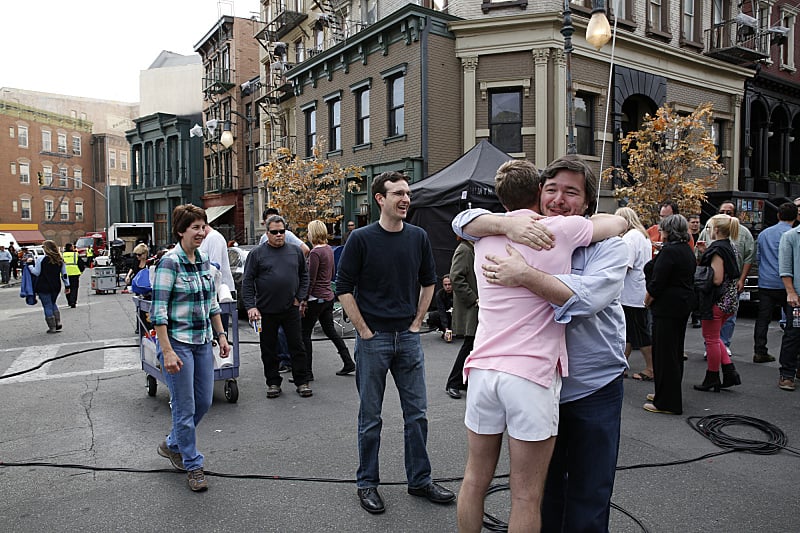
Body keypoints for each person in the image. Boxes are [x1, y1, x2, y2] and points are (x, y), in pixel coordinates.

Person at [452, 154, 629, 532]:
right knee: (533, 496)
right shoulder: (529, 230)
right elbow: (462, 221)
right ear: (537, 192)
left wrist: (523, 273)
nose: (559, 199)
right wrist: (507, 225)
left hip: (586, 386)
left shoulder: (608, 246)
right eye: (551, 189)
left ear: (586, 203)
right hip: (534, 376)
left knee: (585, 493)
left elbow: (584, 300)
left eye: (571, 192)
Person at [335, 171, 455, 515]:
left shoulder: (417, 237)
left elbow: (429, 281)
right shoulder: (361, 238)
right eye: (398, 193)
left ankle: (419, 480)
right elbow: (342, 287)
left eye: (408, 193)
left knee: (417, 415)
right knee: (370, 417)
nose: (406, 199)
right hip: (374, 340)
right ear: (380, 199)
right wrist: (364, 330)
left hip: (408, 339)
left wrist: (418, 321)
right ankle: (367, 483)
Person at [151, 204, 231, 492]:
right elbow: (158, 313)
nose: (202, 232)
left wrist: (221, 335)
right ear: (181, 231)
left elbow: (211, 304)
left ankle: (172, 443)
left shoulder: (204, 261)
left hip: (201, 342)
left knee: (204, 402)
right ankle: (193, 465)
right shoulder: (169, 263)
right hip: (178, 344)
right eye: (195, 227)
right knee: (184, 408)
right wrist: (167, 351)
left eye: (203, 226)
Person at [243, 214, 312, 399]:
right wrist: (251, 306)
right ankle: (273, 383)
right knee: (269, 348)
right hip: (266, 310)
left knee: (297, 346)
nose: (279, 235)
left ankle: (302, 382)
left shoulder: (295, 251)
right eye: (274, 232)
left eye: (282, 231)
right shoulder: (257, 254)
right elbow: (247, 282)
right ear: (267, 233)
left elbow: (304, 276)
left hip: (290, 308)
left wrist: (300, 298)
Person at [642, 215, 696, 414]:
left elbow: (657, 283)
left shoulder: (670, 252)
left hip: (667, 307)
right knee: (673, 352)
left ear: (668, 231)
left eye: (663, 229)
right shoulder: (685, 250)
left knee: (665, 355)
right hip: (681, 305)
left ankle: (667, 402)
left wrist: (646, 301)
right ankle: (665, 393)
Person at [697, 200, 755, 356]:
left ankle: (719, 347)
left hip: (723, 287)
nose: (725, 215)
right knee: (715, 327)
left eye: (729, 212)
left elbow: (748, 258)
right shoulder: (718, 240)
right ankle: (718, 349)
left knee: (718, 323)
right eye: (722, 212)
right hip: (724, 287)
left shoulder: (733, 239)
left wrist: (742, 279)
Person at [301, 219, 355, 378]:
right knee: (331, 331)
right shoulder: (329, 250)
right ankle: (348, 361)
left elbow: (311, 279)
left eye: (309, 231)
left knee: (304, 334)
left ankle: (307, 371)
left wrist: (303, 299)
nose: (308, 235)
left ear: (314, 233)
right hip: (328, 297)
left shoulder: (315, 253)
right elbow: (331, 273)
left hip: (315, 298)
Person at [695, 214, 742, 392]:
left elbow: (716, 279)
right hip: (730, 300)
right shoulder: (730, 246)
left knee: (711, 339)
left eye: (708, 228)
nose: (707, 231)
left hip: (717, 301)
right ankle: (729, 372)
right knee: (715, 338)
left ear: (716, 230)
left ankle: (712, 376)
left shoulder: (717, 250)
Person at [754, 203, 797, 363]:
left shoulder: (764, 234)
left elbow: (757, 258)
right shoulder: (793, 235)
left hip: (766, 282)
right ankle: (791, 356)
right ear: (796, 217)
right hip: (789, 285)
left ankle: (760, 350)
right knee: (793, 323)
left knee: (762, 318)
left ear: (778, 215)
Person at [615, 207, 654, 381]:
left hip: (631, 294)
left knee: (639, 332)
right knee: (629, 332)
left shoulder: (629, 238)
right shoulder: (643, 236)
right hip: (639, 290)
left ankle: (651, 368)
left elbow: (625, 265)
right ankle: (621, 364)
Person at [445, 238, 478, 399]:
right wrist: (473, 298)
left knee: (473, 345)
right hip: (472, 307)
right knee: (470, 344)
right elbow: (456, 277)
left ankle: (460, 381)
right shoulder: (464, 249)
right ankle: (454, 382)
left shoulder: (471, 248)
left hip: (476, 307)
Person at [777, 216, 800, 391]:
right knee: (793, 334)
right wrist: (790, 291)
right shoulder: (791, 236)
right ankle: (787, 374)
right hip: (797, 296)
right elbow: (785, 267)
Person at [27, 240, 70, 333]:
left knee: (47, 305)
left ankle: (52, 327)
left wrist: (29, 265)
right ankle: (57, 322)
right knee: (53, 303)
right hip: (56, 285)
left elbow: (36, 272)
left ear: (46, 249)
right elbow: (64, 274)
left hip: (43, 285)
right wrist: (67, 286)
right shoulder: (60, 260)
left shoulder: (41, 259)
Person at [200, 224, 235, 336]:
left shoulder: (214, 238)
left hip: (221, 291)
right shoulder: (207, 239)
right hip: (212, 291)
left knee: (218, 333)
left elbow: (215, 267)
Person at [688, 214, 702, 328]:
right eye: (693, 222)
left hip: (699, 268)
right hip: (688, 268)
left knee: (698, 293)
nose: (695, 224)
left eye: (697, 222)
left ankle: (696, 317)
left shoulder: (701, 236)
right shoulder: (686, 237)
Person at [61, 243, 84, 308]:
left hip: (65, 273)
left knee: (67, 287)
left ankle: (69, 301)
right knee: (74, 288)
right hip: (74, 273)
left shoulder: (62, 255)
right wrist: (81, 271)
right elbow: (81, 264)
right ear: (71, 248)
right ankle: (73, 301)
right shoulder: (75, 254)